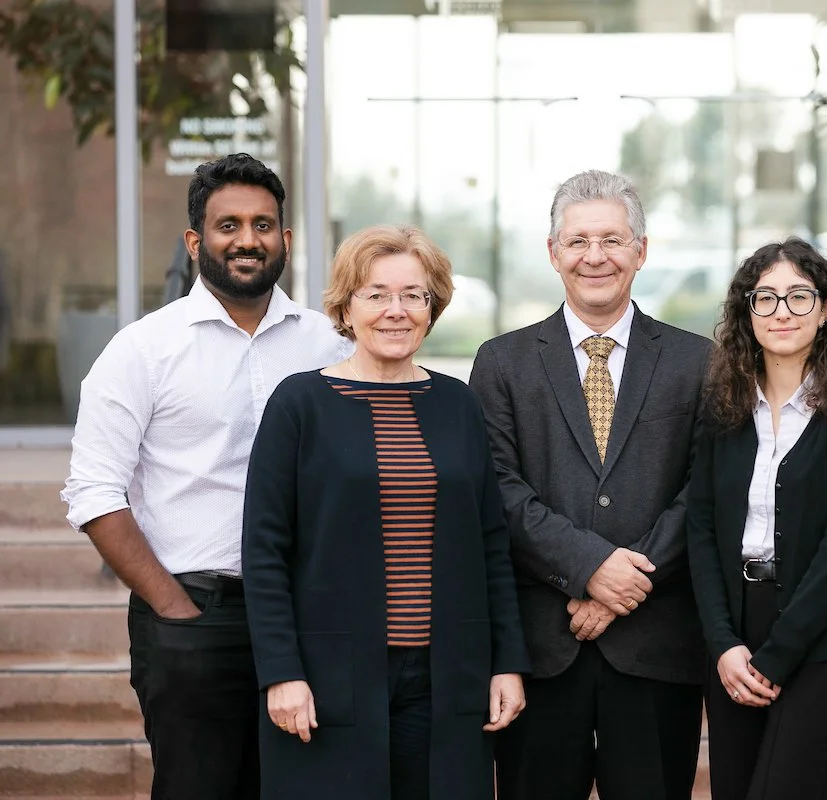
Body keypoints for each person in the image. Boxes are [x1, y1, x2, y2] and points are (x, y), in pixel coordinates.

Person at [60, 153, 351, 800]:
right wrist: (171, 606)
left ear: (285, 239)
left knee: (303, 787)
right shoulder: (142, 350)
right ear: (195, 242)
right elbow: (93, 491)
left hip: (309, 616)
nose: (247, 240)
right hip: (195, 615)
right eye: (228, 225)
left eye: (263, 224)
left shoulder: (328, 344)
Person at [241, 223, 529, 800]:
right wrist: (282, 673)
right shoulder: (299, 404)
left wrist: (507, 662)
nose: (395, 311)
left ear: (432, 306)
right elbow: (265, 551)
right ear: (347, 306)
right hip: (330, 676)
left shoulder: (458, 404)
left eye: (413, 295)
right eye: (376, 294)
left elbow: (491, 545)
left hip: (448, 674)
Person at [469, 169, 710, 800]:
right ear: (553, 253)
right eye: (577, 242)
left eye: (611, 239)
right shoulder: (502, 361)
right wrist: (589, 567)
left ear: (641, 250)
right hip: (544, 651)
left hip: (656, 648)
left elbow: (705, 489)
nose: (594, 256)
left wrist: (621, 587)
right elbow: (497, 488)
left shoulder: (698, 361)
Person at [687, 238, 827, 800]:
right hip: (735, 643)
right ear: (745, 312)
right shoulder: (723, 403)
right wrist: (724, 644)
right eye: (766, 298)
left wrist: (778, 656)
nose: (782, 312)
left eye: (799, 297)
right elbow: (701, 530)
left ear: (825, 309)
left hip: (825, 642)